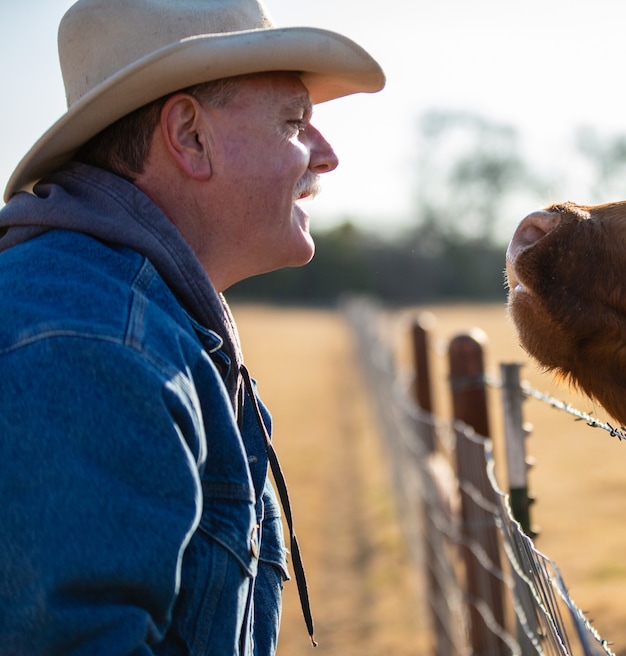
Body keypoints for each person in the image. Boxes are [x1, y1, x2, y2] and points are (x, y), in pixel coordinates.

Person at [0, 0, 384, 653]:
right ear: (189, 136)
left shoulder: (119, 314)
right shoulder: (93, 345)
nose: (326, 157)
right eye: (295, 122)